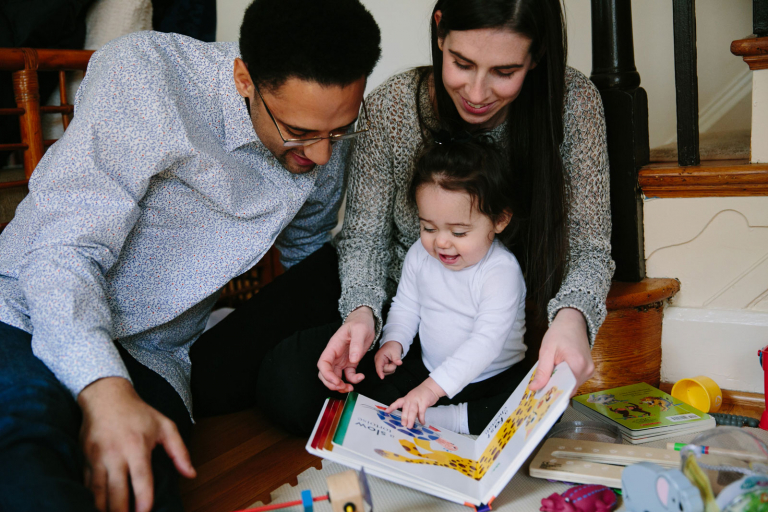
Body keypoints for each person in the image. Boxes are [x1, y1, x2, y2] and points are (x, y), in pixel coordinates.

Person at [0, 0, 381, 510]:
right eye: (299, 132)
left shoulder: (325, 135)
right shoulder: (147, 75)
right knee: (24, 455)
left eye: (339, 131)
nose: (322, 155)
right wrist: (104, 386)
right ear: (244, 79)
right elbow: (63, 248)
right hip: (26, 312)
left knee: (138, 492)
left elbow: (307, 253)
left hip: (155, 357)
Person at [256, 0, 614, 437]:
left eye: (504, 72)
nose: (477, 94)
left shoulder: (573, 104)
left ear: (536, 55)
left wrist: (574, 316)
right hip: (394, 302)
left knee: (532, 409)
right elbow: (364, 239)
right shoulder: (392, 106)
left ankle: (438, 413)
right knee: (273, 379)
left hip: (489, 336)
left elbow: (590, 248)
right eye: (462, 64)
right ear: (440, 32)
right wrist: (363, 313)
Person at [370, 136, 527, 431]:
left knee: (527, 406)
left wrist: (431, 390)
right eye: (428, 227)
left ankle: (450, 419)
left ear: (500, 220)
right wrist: (394, 341)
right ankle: (420, 412)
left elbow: (485, 343)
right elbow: (406, 305)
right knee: (373, 394)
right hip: (430, 369)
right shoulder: (420, 254)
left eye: (458, 233)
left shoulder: (500, 272)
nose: (441, 242)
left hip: (491, 376)